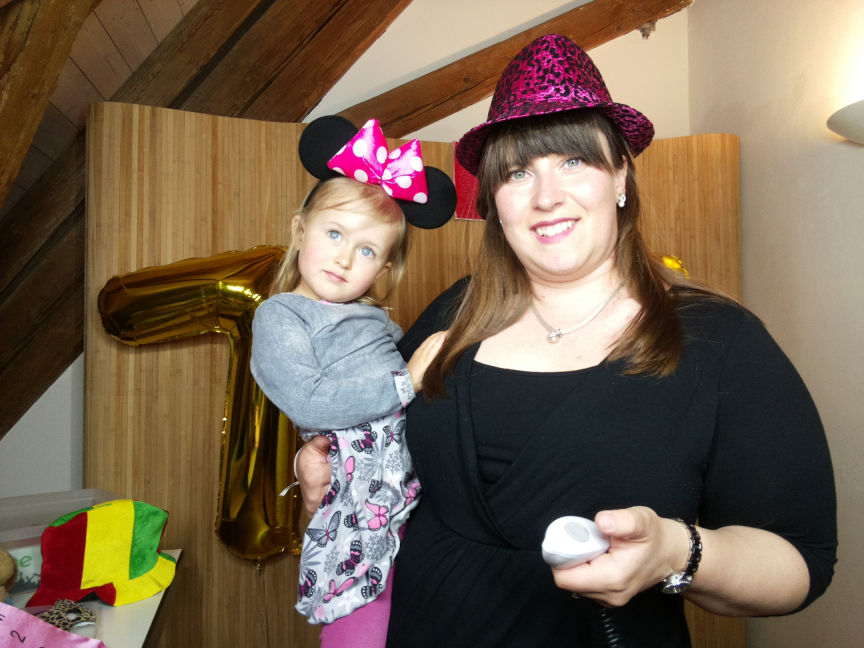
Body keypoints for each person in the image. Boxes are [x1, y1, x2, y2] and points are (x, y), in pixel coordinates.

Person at [296, 35, 837, 647]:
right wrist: (316, 457)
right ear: (494, 201)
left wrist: (673, 551)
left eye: (574, 162)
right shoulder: (455, 310)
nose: (546, 196)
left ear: (621, 175)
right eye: (518, 172)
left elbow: (801, 562)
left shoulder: (720, 341)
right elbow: (367, 424)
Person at [250, 117, 455, 634]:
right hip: (355, 497)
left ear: (383, 270)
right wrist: (406, 381)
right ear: (300, 230)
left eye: (366, 250)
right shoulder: (281, 315)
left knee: (417, 616)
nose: (344, 258)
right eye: (334, 233)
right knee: (360, 614)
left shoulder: (379, 323)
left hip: (410, 489)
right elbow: (310, 400)